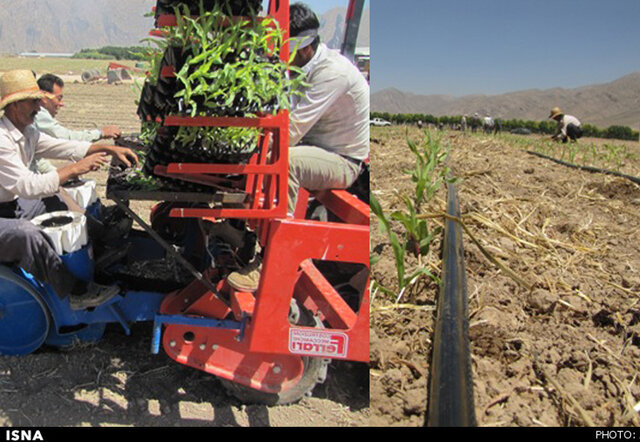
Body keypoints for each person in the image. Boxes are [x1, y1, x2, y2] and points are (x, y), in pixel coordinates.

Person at [226, 2, 370, 292]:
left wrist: (241, 157)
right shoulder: (304, 68)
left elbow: (290, 130)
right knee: (270, 158)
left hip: (344, 160)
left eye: (284, 50)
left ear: (303, 48)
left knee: (284, 163)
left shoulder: (332, 73)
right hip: (316, 148)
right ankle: (240, 234)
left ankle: (272, 264)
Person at [0, 70, 139, 310]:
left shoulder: (27, 132)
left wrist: (106, 148)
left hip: (9, 206)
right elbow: (27, 185)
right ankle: (75, 291)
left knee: (52, 195)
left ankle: (101, 243)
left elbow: (63, 146)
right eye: (33, 101)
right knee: (26, 234)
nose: (38, 106)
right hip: (6, 210)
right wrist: (75, 170)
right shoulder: (2, 140)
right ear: (14, 105)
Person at [32, 73, 122, 174]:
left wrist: (60, 174)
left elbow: (36, 160)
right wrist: (100, 134)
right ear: (44, 98)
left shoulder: (30, 126)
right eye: (59, 98)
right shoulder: (38, 114)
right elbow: (64, 138)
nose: (61, 104)